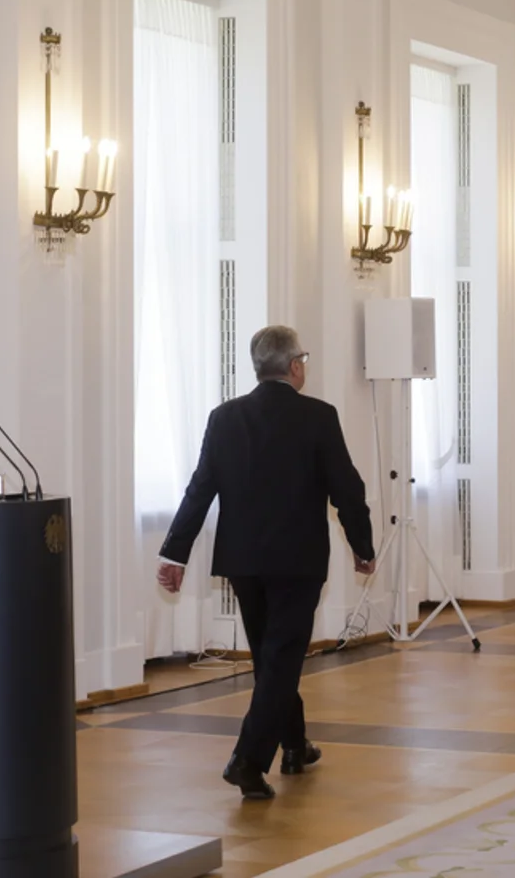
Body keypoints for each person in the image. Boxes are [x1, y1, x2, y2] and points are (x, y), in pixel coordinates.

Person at [156, 325, 376, 800]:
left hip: (244, 562)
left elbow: (200, 489)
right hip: (297, 562)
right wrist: (363, 545)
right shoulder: (319, 416)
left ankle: (294, 746)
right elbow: (347, 488)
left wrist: (175, 551)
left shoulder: (224, 418)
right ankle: (247, 760)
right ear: (295, 366)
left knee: (273, 660)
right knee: (279, 661)